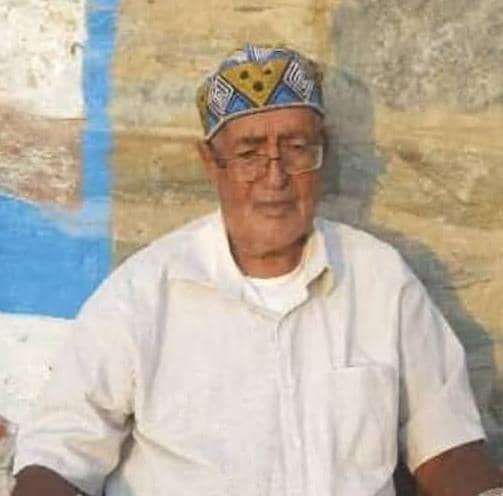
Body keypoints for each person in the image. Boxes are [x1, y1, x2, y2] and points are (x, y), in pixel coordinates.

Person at [12, 43, 503, 496]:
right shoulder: (141, 296)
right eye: (249, 154)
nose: (275, 176)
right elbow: (56, 458)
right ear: (211, 162)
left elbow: (449, 448)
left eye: (296, 149)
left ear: (323, 152)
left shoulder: (380, 281)